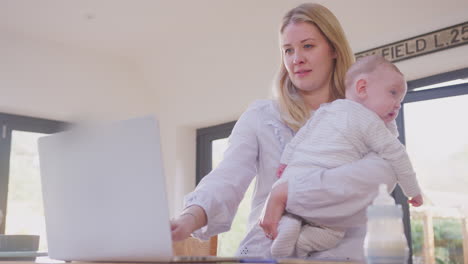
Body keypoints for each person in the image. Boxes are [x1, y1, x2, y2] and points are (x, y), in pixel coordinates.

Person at [171, 3, 398, 260]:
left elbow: (372, 183)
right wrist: (190, 216)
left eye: (308, 46)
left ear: (334, 48)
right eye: (288, 50)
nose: (296, 58)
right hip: (264, 254)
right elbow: (227, 178)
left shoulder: (370, 119)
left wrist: (286, 193)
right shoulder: (261, 116)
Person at [269, 55, 424, 258]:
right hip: (318, 187)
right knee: (333, 232)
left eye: (401, 99)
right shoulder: (370, 122)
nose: (398, 104)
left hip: (292, 177)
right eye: (393, 93)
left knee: (292, 214)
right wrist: (413, 191)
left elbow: (300, 138)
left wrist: (285, 162)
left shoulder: (328, 109)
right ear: (361, 88)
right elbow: (397, 154)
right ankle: (301, 243)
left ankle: (289, 223)